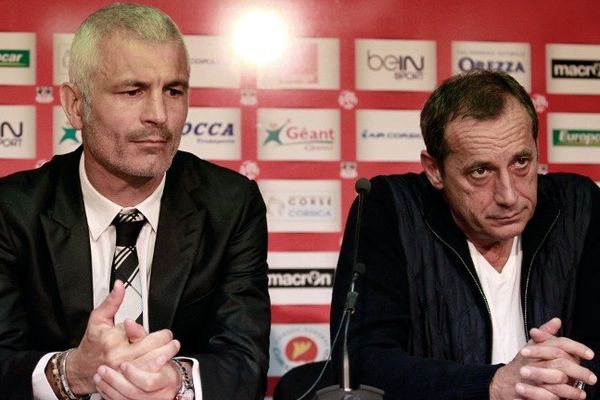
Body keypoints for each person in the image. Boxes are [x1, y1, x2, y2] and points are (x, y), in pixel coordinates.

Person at [0, 3, 270, 400]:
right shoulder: (12, 210)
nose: (159, 115)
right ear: (76, 106)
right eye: (133, 91)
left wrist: (177, 382)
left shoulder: (230, 204)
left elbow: (245, 361)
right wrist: (71, 372)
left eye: (173, 91)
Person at [331, 70, 600, 400]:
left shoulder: (578, 206)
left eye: (521, 162)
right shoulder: (391, 210)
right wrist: (491, 385)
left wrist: (575, 375)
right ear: (435, 170)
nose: (509, 195)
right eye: (480, 171)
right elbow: (362, 361)